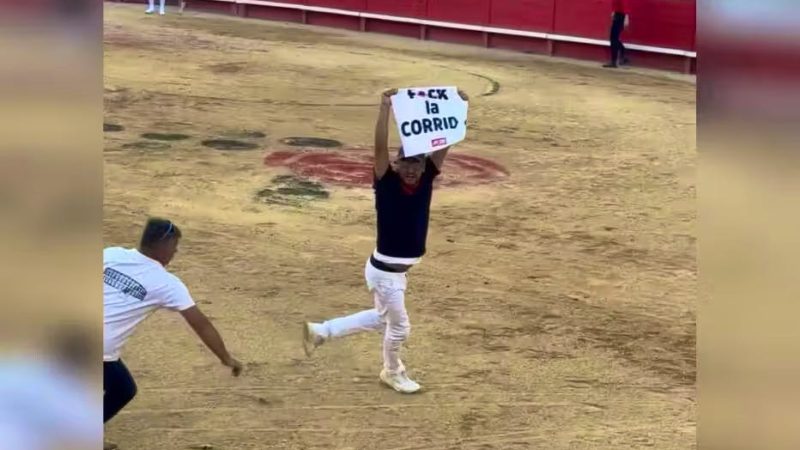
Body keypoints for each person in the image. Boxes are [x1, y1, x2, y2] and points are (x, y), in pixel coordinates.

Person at [302, 87, 469, 394]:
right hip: (386, 273)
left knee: (382, 321)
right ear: (396, 164)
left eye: (417, 164)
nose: (411, 169)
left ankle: (322, 331)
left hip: (392, 271)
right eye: (405, 163)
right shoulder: (386, 182)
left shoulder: (427, 178)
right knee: (400, 327)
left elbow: (445, 143)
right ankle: (392, 371)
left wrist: (457, 108)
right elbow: (379, 146)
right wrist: (384, 109)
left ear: (423, 166)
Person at [103, 218, 243, 449]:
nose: (175, 252)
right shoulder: (167, 283)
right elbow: (202, 324)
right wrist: (226, 358)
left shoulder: (112, 254)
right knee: (122, 389)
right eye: (175, 247)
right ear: (164, 245)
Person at [604, 0, 631, 68]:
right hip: (618, 15)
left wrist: (626, 17)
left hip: (621, 16)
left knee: (613, 38)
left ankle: (614, 61)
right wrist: (614, 11)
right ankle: (622, 53)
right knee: (614, 38)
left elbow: (625, 3)